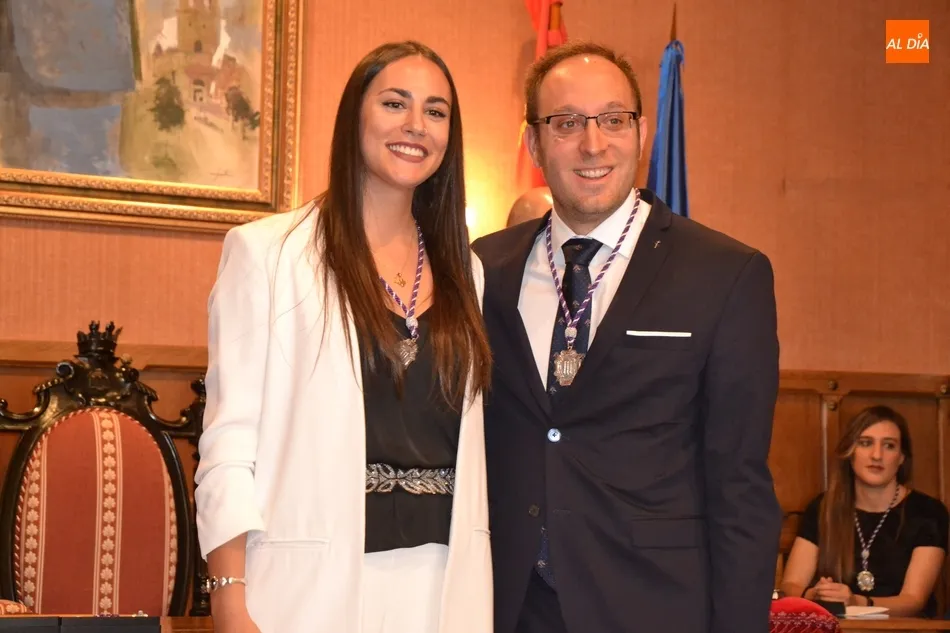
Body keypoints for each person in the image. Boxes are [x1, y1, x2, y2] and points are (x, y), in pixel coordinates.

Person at [471, 41, 782, 633]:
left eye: (613, 120)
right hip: (509, 608)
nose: (593, 144)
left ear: (641, 133)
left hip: (653, 607)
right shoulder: (484, 268)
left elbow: (739, 486)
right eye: (566, 123)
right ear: (534, 143)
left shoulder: (724, 273)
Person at [194, 41, 493, 633]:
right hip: (312, 584)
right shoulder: (269, 254)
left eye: (436, 111)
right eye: (394, 103)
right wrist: (228, 596)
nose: (416, 125)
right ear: (355, 115)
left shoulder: (468, 272)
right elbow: (229, 444)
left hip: (445, 583)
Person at [781, 405, 949, 617]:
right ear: (850, 452)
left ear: (901, 457)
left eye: (889, 446)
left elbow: (913, 601)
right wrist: (813, 595)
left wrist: (858, 602)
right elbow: (790, 585)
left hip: (903, 629)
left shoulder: (928, 512)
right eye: (865, 443)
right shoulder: (823, 507)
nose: (876, 455)